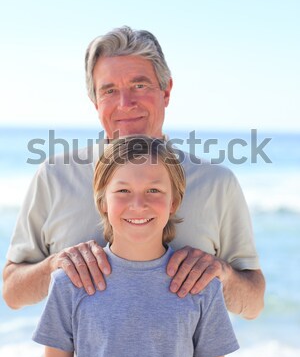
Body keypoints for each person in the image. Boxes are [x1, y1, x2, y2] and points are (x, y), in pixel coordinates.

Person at [3, 26, 265, 319]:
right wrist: (55, 267)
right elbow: (12, 292)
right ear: (95, 102)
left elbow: (253, 303)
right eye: (109, 90)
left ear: (166, 92)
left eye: (139, 86)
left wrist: (224, 276)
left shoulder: (217, 183)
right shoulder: (54, 176)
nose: (125, 104)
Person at [32, 136, 239, 357]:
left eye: (154, 190)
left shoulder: (203, 287)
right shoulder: (68, 284)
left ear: (174, 202)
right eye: (123, 190)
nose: (139, 204)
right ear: (103, 202)